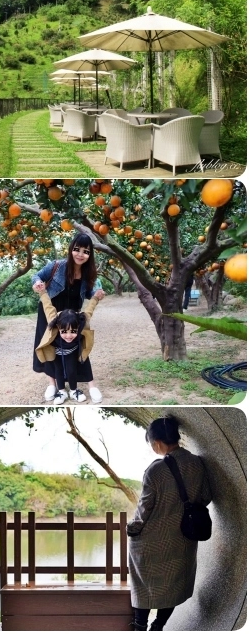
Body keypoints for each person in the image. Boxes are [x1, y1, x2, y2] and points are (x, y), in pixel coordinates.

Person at [127, 415, 212, 631]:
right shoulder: (197, 463)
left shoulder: (155, 470)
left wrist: (133, 528)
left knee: (143, 582)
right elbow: (205, 497)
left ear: (156, 443)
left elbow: (144, 508)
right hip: (184, 537)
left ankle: (139, 625)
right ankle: (159, 625)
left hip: (153, 540)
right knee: (174, 582)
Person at [31, 232, 106, 403]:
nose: (80, 254)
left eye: (86, 251)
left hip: (72, 315)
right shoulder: (57, 266)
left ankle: (91, 385)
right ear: (71, 249)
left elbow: (87, 293)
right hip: (49, 312)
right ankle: (53, 383)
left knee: (79, 346)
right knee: (50, 345)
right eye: (77, 249)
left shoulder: (88, 274)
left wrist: (96, 294)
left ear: (90, 254)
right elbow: (36, 276)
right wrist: (37, 284)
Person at [32, 288, 98, 404]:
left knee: (72, 370)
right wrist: (42, 292)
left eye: (73, 331)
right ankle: (61, 391)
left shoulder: (81, 321)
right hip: (57, 353)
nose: (68, 336)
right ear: (58, 327)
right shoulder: (54, 320)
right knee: (58, 371)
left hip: (72, 352)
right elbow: (47, 306)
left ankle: (73, 391)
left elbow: (89, 310)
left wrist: (96, 297)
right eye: (64, 332)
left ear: (78, 326)